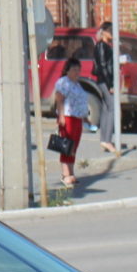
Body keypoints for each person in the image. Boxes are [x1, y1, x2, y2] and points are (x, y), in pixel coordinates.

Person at [51, 57, 89, 188]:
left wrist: (85, 117)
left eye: (78, 70)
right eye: (74, 69)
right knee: (66, 146)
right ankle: (65, 174)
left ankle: (71, 173)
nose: (77, 72)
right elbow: (59, 99)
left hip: (77, 118)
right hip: (67, 117)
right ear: (67, 70)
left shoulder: (77, 84)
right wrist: (61, 115)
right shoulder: (64, 82)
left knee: (74, 147)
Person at [93, 22, 118, 154]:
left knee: (106, 108)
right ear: (104, 32)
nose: (112, 34)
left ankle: (104, 139)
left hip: (104, 80)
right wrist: (110, 85)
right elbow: (103, 66)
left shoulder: (104, 46)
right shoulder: (102, 46)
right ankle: (107, 139)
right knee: (112, 108)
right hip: (105, 81)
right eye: (110, 32)